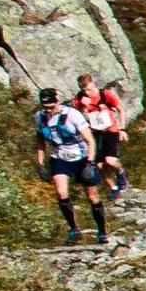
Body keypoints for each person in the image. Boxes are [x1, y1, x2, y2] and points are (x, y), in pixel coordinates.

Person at [31, 91, 98, 245]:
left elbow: (90, 140)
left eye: (51, 106)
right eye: (45, 106)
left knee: (92, 197)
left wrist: (90, 162)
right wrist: (40, 163)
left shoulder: (73, 115)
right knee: (61, 193)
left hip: (81, 157)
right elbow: (40, 141)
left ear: (58, 101)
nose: (48, 110)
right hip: (59, 157)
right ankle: (74, 230)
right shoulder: (40, 117)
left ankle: (101, 231)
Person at [80, 79, 125, 199]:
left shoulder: (105, 94)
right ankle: (114, 188)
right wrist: (84, 107)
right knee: (99, 165)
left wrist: (122, 129)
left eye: (89, 89)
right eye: (84, 90)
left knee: (110, 160)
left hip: (111, 131)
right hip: (96, 133)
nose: (87, 92)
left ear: (93, 83)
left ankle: (121, 173)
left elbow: (120, 109)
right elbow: (82, 119)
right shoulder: (80, 99)